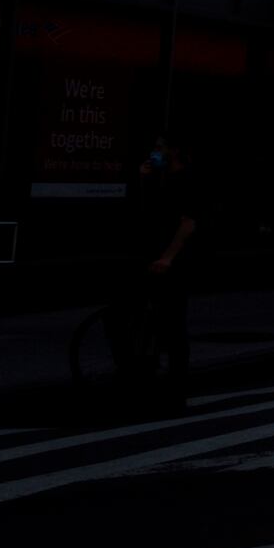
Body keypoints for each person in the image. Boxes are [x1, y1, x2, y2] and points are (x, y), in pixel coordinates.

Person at [112, 130, 197, 402]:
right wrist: (144, 178)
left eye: (160, 147)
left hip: (173, 260)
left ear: (174, 150)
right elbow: (149, 212)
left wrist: (169, 257)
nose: (155, 151)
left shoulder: (186, 179)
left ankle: (175, 383)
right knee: (129, 314)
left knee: (172, 320)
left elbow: (188, 222)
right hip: (152, 254)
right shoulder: (162, 178)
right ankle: (144, 368)